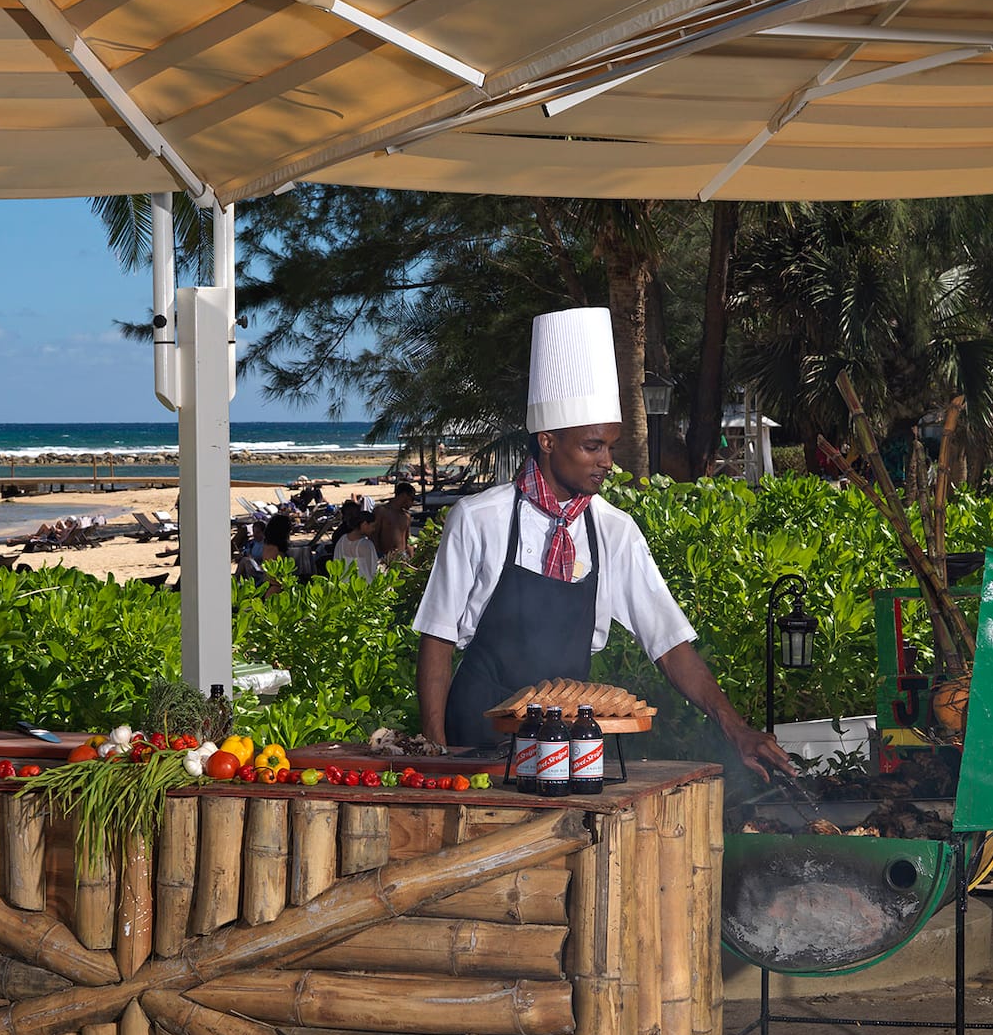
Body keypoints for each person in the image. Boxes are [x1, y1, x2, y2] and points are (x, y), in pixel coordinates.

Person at [413, 306, 796, 780]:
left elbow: (669, 641)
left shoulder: (614, 530)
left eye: (611, 446)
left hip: (564, 747)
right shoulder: (478, 519)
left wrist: (736, 728)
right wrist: (435, 758)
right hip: (475, 742)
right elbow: (437, 640)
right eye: (593, 446)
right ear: (549, 440)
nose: (608, 461)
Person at [370, 481, 419, 564]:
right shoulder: (381, 511)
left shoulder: (406, 516)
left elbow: (407, 540)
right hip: (385, 558)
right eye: (412, 498)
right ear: (404, 495)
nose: (413, 503)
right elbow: (373, 536)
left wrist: (412, 559)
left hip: (402, 559)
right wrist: (378, 557)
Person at [332, 500, 381, 582]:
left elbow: (336, 563)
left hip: (344, 585)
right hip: (362, 588)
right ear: (364, 524)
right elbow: (373, 570)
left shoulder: (342, 540)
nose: (374, 529)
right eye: (373, 526)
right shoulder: (367, 544)